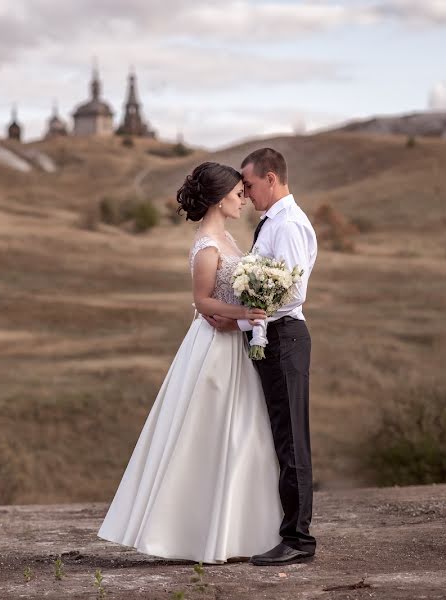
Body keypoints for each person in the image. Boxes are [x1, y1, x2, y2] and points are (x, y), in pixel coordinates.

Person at [97, 162, 282, 564]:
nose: (243, 198)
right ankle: (192, 532)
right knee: (208, 435)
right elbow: (202, 301)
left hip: (234, 344)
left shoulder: (227, 237)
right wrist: (245, 315)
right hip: (213, 349)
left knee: (242, 435)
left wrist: (249, 311)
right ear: (219, 199)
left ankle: (237, 532)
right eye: (237, 193)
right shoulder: (208, 244)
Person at [203, 147, 319, 566]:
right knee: (281, 438)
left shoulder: (286, 225)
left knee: (292, 442)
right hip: (271, 337)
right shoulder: (275, 221)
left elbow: (291, 293)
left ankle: (298, 540)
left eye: (249, 184)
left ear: (271, 179)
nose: (246, 193)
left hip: (284, 337)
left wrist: (238, 322)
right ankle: (284, 532)